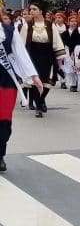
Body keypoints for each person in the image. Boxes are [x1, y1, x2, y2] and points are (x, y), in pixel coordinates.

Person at [0, 13, 45, 171]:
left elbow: (21, 54)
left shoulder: (9, 31)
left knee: (4, 122)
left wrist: (34, 76)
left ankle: (0, 155)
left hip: (5, 81)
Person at [21, 3, 65, 118]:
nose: (31, 11)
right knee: (36, 82)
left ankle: (41, 100)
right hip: (32, 56)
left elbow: (56, 42)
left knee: (47, 82)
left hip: (47, 56)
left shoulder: (50, 26)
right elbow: (21, 44)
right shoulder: (27, 25)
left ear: (41, 11)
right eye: (30, 9)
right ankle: (39, 107)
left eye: (34, 9)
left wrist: (59, 61)